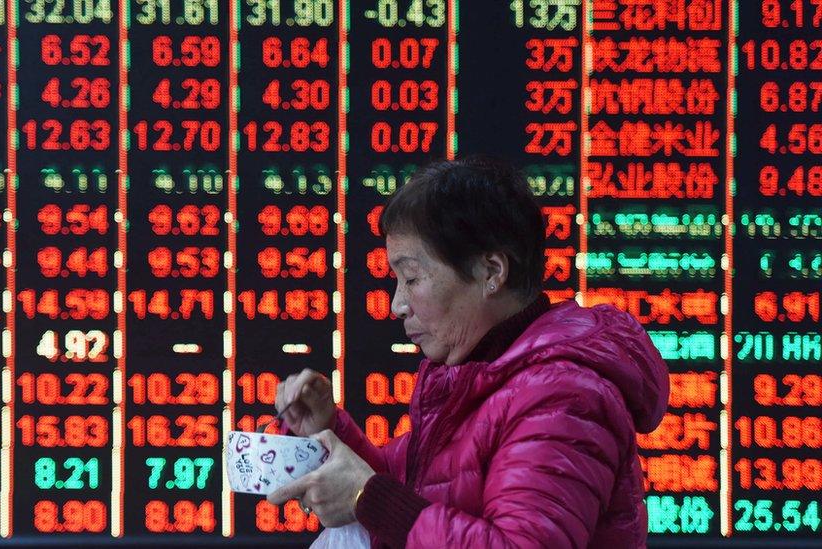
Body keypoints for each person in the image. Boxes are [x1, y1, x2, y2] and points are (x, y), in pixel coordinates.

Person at [268, 156, 669, 548]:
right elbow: (414, 487)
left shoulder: (564, 397)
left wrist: (367, 498)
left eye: (411, 278)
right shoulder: (483, 376)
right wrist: (326, 431)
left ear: (491, 272)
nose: (397, 304)